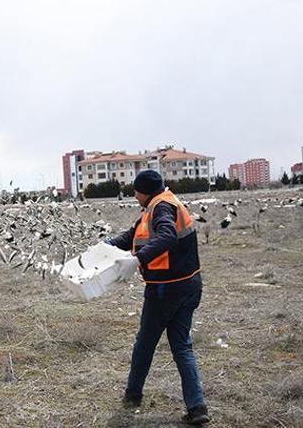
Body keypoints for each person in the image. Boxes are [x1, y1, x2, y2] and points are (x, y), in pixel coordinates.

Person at [106, 170, 210, 425]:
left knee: (145, 343)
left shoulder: (161, 208)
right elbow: (133, 235)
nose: (134, 195)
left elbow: (166, 236)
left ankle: (133, 395)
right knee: (182, 347)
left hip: (166, 290)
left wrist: (137, 260)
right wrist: (107, 245)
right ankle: (197, 408)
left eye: (136, 191)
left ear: (145, 191)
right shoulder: (163, 203)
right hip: (190, 286)